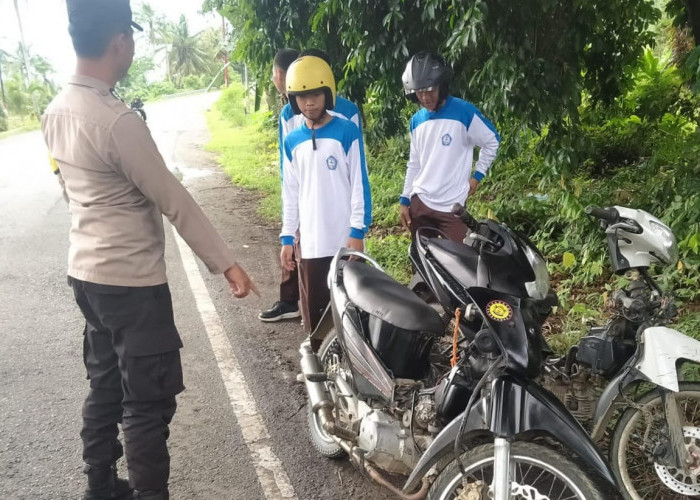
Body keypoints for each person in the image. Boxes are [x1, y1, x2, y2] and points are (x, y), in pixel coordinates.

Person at [41, 1, 257, 499]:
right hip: (132, 286)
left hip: (87, 277)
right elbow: (173, 198)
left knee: (105, 383)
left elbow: (70, 192)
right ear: (119, 40)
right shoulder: (116, 121)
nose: (133, 47)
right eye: (131, 39)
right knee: (147, 404)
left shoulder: (54, 111)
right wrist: (226, 263)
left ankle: (99, 483)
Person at [259, 48, 366, 323]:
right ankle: (319, 360)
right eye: (302, 97)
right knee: (316, 314)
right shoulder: (293, 140)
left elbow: (359, 184)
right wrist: (287, 237)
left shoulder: (346, 131)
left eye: (315, 95)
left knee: (352, 309)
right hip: (312, 242)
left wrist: (357, 230)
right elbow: (290, 191)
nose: (309, 103)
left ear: (327, 94)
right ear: (293, 100)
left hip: (343, 238)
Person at [399, 51, 501, 243]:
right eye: (419, 92)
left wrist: (477, 176)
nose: (425, 97)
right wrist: (405, 200)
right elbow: (414, 163)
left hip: (452, 207)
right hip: (420, 203)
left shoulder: (464, 112)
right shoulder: (416, 121)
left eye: (430, 90)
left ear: (442, 86)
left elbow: (492, 141)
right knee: (423, 263)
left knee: (462, 263)